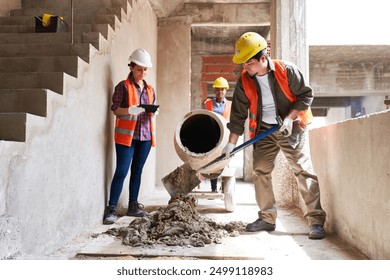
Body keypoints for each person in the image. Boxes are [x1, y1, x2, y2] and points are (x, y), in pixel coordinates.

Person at [223, 32, 326, 239]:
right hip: (264, 129)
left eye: (249, 63)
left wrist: (289, 118)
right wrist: (230, 145)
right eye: (243, 63)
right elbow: (238, 116)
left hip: (292, 126)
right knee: (260, 170)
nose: (245, 67)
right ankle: (267, 218)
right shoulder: (244, 80)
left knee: (302, 170)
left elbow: (306, 95)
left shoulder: (286, 70)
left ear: (263, 58)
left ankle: (315, 221)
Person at [103, 48, 157, 225]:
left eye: (145, 70)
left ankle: (133, 205)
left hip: (145, 136)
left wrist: (154, 112)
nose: (142, 72)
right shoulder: (123, 86)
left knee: (137, 171)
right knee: (121, 171)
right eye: (139, 69)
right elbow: (115, 110)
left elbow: (150, 107)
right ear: (132, 67)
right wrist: (130, 111)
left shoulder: (149, 89)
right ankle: (111, 208)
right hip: (127, 137)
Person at [203, 77, 232, 192]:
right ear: (214, 91)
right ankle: (214, 187)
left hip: (225, 136)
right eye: (218, 89)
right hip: (211, 135)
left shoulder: (230, 104)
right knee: (213, 161)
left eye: (223, 90)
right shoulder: (208, 103)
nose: (220, 92)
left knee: (225, 160)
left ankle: (224, 186)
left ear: (226, 91)